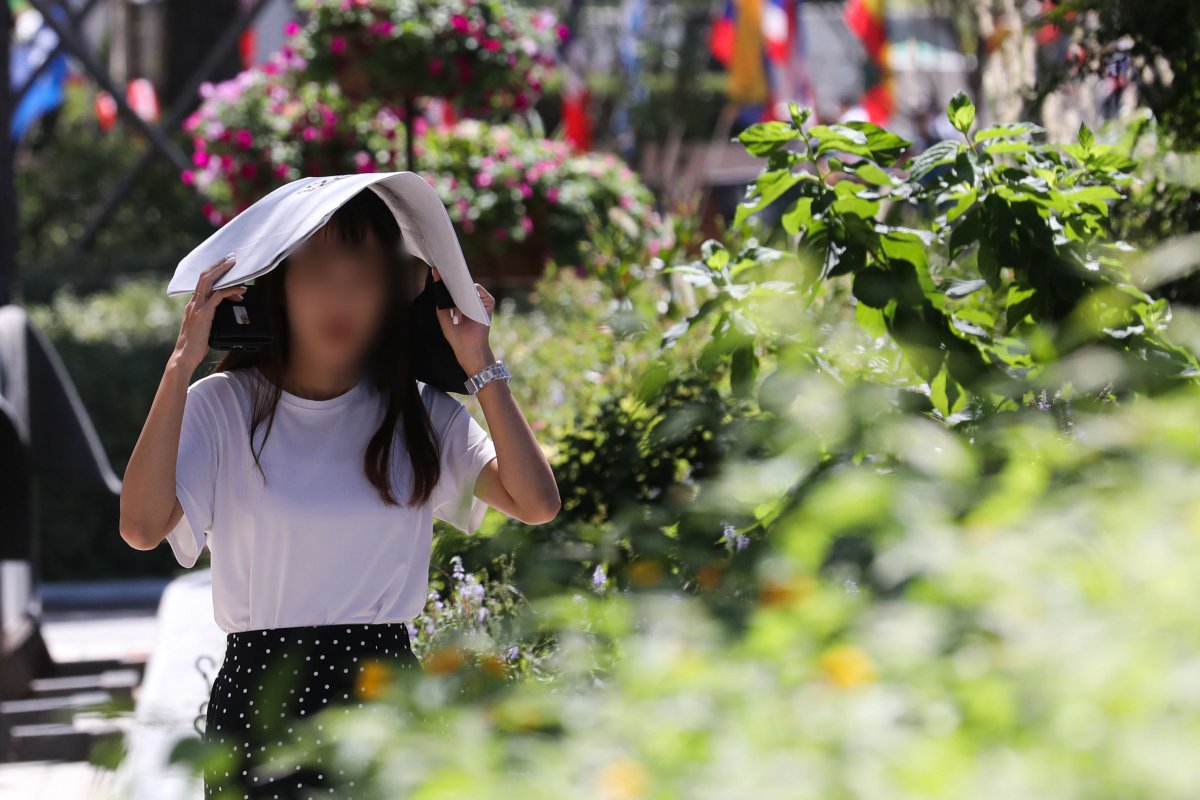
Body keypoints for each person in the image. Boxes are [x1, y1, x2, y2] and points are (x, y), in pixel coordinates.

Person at [118, 187, 561, 798]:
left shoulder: (418, 411)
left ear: (391, 296)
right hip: (259, 709)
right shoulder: (222, 407)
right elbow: (141, 527)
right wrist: (181, 364)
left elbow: (536, 503)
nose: (342, 298)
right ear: (279, 286)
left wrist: (479, 361)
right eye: (320, 273)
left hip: (386, 705)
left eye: (365, 277)